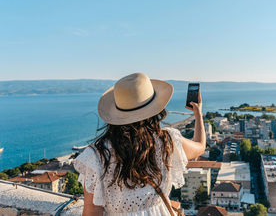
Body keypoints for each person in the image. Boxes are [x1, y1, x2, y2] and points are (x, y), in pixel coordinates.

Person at [73, 72, 206, 216]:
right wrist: (198, 114)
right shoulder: (167, 141)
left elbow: (92, 212)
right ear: (155, 110)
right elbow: (199, 145)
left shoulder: (96, 156)